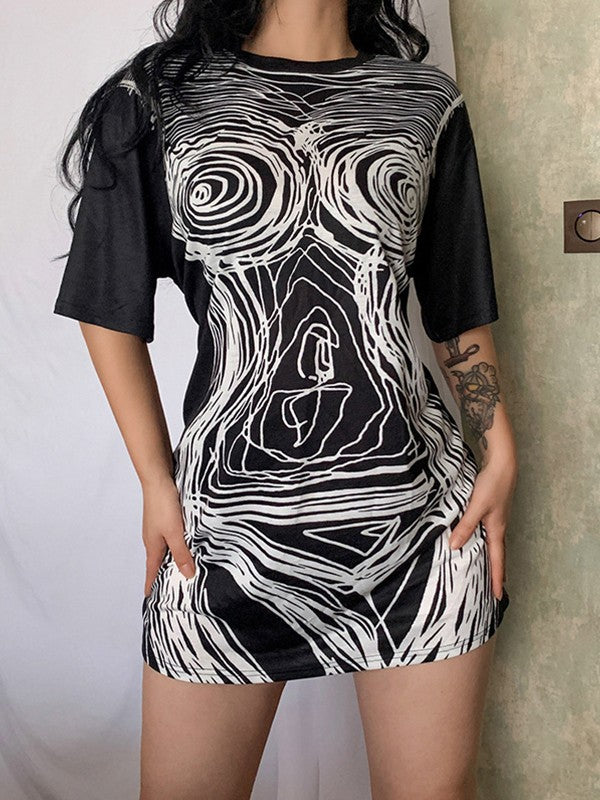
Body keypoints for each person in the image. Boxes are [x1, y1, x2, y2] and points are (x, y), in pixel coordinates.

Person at [52, 1, 518, 798]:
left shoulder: (424, 102)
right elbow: (106, 303)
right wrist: (156, 482)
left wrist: (500, 449)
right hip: (226, 532)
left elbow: (456, 305)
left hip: (420, 525)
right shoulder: (159, 99)